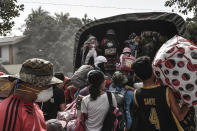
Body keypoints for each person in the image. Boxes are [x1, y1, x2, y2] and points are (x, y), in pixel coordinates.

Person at [0, 58, 62, 131]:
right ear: (30, 85)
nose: (50, 88)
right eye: (47, 85)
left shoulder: (34, 107)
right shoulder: (11, 112)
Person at [132, 56, 189, 131]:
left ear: (137, 76)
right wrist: (188, 102)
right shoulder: (166, 91)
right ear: (153, 71)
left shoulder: (136, 94)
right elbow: (180, 116)